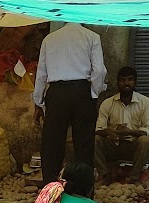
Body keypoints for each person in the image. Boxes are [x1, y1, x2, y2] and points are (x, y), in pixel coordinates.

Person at [32, 22, 105, 182]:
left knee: (52, 144)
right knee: (84, 145)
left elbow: (41, 73)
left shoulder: (49, 39)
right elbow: (99, 70)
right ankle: (83, 189)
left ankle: (50, 187)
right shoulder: (92, 37)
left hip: (57, 93)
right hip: (81, 91)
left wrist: (38, 101)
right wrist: (93, 93)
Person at [94, 66, 149, 184]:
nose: (126, 83)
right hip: (113, 145)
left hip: (133, 145)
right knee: (95, 139)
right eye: (123, 80)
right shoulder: (107, 103)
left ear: (135, 82)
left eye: (129, 80)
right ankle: (104, 175)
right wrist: (109, 131)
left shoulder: (146, 102)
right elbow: (98, 129)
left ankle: (134, 178)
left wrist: (129, 132)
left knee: (145, 141)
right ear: (117, 83)